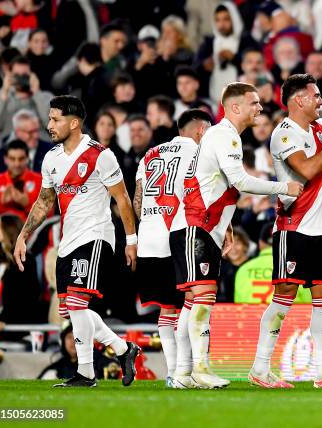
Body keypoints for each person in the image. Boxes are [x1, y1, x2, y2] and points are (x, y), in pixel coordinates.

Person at [168, 82, 302, 389]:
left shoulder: (219, 136)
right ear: (235, 107)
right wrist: (284, 188)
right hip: (195, 227)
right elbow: (241, 181)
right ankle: (200, 369)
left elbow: (205, 183)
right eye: (254, 103)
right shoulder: (224, 135)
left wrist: (224, 224)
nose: (260, 108)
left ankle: (182, 373)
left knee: (192, 301)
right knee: (202, 297)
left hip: (201, 226)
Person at [13, 95, 140, 388]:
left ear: (74, 122)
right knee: (73, 309)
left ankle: (86, 373)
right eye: (49, 118)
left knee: (77, 301)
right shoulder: (51, 158)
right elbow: (44, 201)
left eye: (55, 119)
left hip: (96, 236)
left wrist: (131, 240)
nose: (49, 125)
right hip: (67, 241)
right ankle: (123, 349)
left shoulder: (100, 155)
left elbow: (121, 198)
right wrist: (23, 235)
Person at [249, 74, 322, 389]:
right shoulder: (284, 133)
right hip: (294, 228)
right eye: (316, 96)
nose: (321, 101)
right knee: (284, 297)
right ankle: (260, 368)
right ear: (298, 100)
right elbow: (306, 170)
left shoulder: (321, 127)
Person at [133, 108, 212, 388]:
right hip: (179, 238)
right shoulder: (197, 153)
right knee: (194, 301)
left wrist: (142, 231)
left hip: (148, 240)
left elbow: (138, 201)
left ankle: (173, 373)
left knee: (167, 311)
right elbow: (198, 194)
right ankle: (185, 372)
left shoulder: (150, 154)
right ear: (202, 131)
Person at [0, 55, 53, 144]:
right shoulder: (2, 97)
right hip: (9, 151)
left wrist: (36, 93)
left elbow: (50, 124)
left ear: (32, 75)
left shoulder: (45, 97)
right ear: (9, 75)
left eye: (25, 75)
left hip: (39, 151)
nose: (20, 79)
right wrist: (4, 93)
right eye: (16, 75)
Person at [0, 139, 42, 221]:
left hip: (31, 232)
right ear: (5, 159)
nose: (17, 164)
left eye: (21, 159)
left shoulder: (41, 181)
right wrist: (2, 203)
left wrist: (27, 204)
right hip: (1, 231)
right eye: (12, 159)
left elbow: (49, 213)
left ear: (27, 158)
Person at [0, 109, 53, 175]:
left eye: (37, 130)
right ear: (17, 132)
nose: (36, 136)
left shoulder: (52, 152)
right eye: (30, 132)